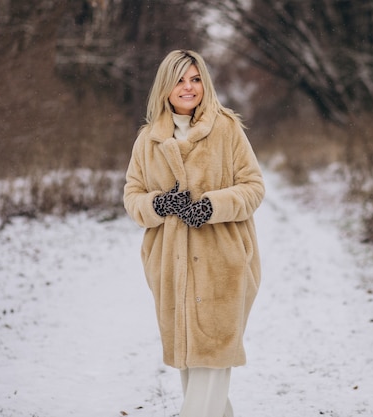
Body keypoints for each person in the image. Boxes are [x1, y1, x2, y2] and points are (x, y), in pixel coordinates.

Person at [123, 49, 265, 417]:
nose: (189, 87)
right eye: (180, 80)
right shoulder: (147, 140)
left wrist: (212, 205)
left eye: (196, 79)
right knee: (193, 366)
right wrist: (158, 205)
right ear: (165, 87)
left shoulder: (227, 128)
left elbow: (253, 187)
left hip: (224, 264)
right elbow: (132, 196)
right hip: (171, 266)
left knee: (214, 361)